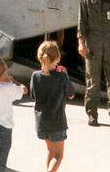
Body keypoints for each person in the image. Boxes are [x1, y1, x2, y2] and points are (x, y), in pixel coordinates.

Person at [30, 40, 76, 172]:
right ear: (57, 58)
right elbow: (71, 94)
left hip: (41, 122)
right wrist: (66, 75)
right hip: (57, 122)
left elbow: (33, 95)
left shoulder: (35, 76)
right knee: (58, 155)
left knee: (50, 151)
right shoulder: (61, 77)